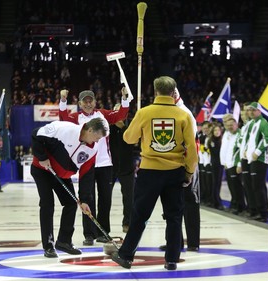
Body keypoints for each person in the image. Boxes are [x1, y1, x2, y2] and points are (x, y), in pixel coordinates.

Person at [111, 76, 198, 270]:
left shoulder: (145, 112)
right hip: (175, 172)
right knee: (174, 217)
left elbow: (128, 138)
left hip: (149, 172)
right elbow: (191, 149)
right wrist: (189, 171)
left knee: (139, 216)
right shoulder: (183, 115)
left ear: (155, 91)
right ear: (173, 91)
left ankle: (126, 256)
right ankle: (172, 259)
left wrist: (141, 125)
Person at [59, 87, 129, 246]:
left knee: (106, 199)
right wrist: (63, 101)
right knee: (87, 198)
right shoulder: (76, 117)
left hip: (105, 164)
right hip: (86, 164)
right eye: (85, 101)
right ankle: (89, 234)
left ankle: (104, 232)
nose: (88, 104)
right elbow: (63, 119)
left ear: (95, 102)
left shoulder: (103, 114)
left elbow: (121, 115)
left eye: (91, 101)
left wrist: (124, 98)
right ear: (79, 103)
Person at [30, 117, 108, 258]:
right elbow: (36, 134)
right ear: (90, 130)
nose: (97, 142)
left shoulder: (93, 149)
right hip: (43, 169)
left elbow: (87, 175)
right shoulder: (65, 129)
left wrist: (84, 200)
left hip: (61, 176)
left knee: (72, 203)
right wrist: (41, 157)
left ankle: (64, 241)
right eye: (96, 138)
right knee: (47, 204)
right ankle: (48, 245)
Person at [159, 88, 200, 252]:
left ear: (175, 95)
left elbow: (190, 143)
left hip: (186, 163)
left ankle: (192, 242)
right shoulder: (168, 111)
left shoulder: (184, 113)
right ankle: (175, 242)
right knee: (172, 203)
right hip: (172, 164)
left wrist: (188, 167)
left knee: (190, 202)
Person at [109, 103, 135, 233]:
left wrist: (124, 128)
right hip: (110, 167)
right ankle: (103, 226)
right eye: (115, 112)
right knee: (105, 197)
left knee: (129, 197)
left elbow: (134, 141)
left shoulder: (131, 125)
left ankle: (128, 223)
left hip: (127, 167)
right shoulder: (108, 127)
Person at [245, 102, 268, 222]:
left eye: (253, 110)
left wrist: (257, 152)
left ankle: (264, 213)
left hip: (260, 159)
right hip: (253, 160)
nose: (251, 112)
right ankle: (258, 211)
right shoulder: (252, 123)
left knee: (258, 187)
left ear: (259, 111)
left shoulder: (263, 122)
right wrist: (246, 151)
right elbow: (250, 140)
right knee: (255, 186)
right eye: (249, 110)